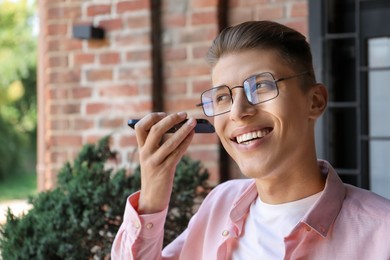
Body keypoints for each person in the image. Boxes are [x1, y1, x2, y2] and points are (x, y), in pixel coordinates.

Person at [111, 21, 390, 259]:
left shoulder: (381, 233)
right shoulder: (219, 204)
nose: (238, 112)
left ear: (314, 101)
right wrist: (151, 200)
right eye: (222, 97)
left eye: (260, 86)